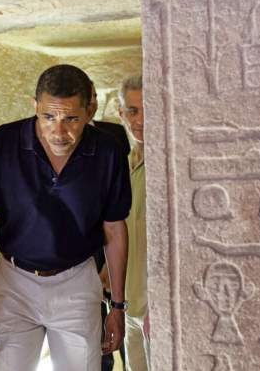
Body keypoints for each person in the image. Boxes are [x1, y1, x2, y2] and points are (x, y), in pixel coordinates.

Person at [0, 64, 132, 371]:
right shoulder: (4, 144)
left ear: (89, 111)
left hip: (76, 282)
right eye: (48, 117)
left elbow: (114, 229)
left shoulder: (107, 152)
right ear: (35, 107)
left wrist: (117, 307)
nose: (59, 131)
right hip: (14, 283)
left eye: (71, 119)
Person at [88, 81, 130, 371]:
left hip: (113, 237)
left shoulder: (113, 135)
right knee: (93, 326)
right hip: (84, 248)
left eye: (94, 97)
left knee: (119, 322)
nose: (91, 103)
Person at [117, 75, 150, 371]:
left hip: (157, 309)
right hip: (129, 308)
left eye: (147, 109)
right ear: (121, 114)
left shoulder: (167, 168)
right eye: (133, 111)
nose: (140, 120)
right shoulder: (124, 168)